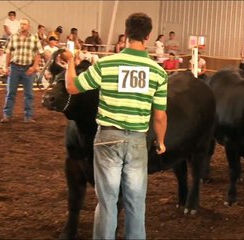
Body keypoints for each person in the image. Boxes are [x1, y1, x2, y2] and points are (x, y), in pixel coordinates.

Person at [62, 12, 167, 239]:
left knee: (107, 200)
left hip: (108, 138)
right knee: (136, 201)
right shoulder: (158, 71)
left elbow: (72, 87)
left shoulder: (106, 64)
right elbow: (159, 115)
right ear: (148, 36)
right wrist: (160, 141)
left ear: (126, 34)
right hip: (138, 139)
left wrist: (71, 61)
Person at [0, 18, 44, 123]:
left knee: (29, 94)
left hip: (28, 68)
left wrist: (33, 67)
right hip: (14, 67)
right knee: (10, 93)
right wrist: (6, 67)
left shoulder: (34, 38)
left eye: (24, 24)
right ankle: (7, 115)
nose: (22, 26)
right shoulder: (13, 37)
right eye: (21, 24)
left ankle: (28, 116)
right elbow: (8, 53)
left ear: (28, 26)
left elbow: (38, 53)